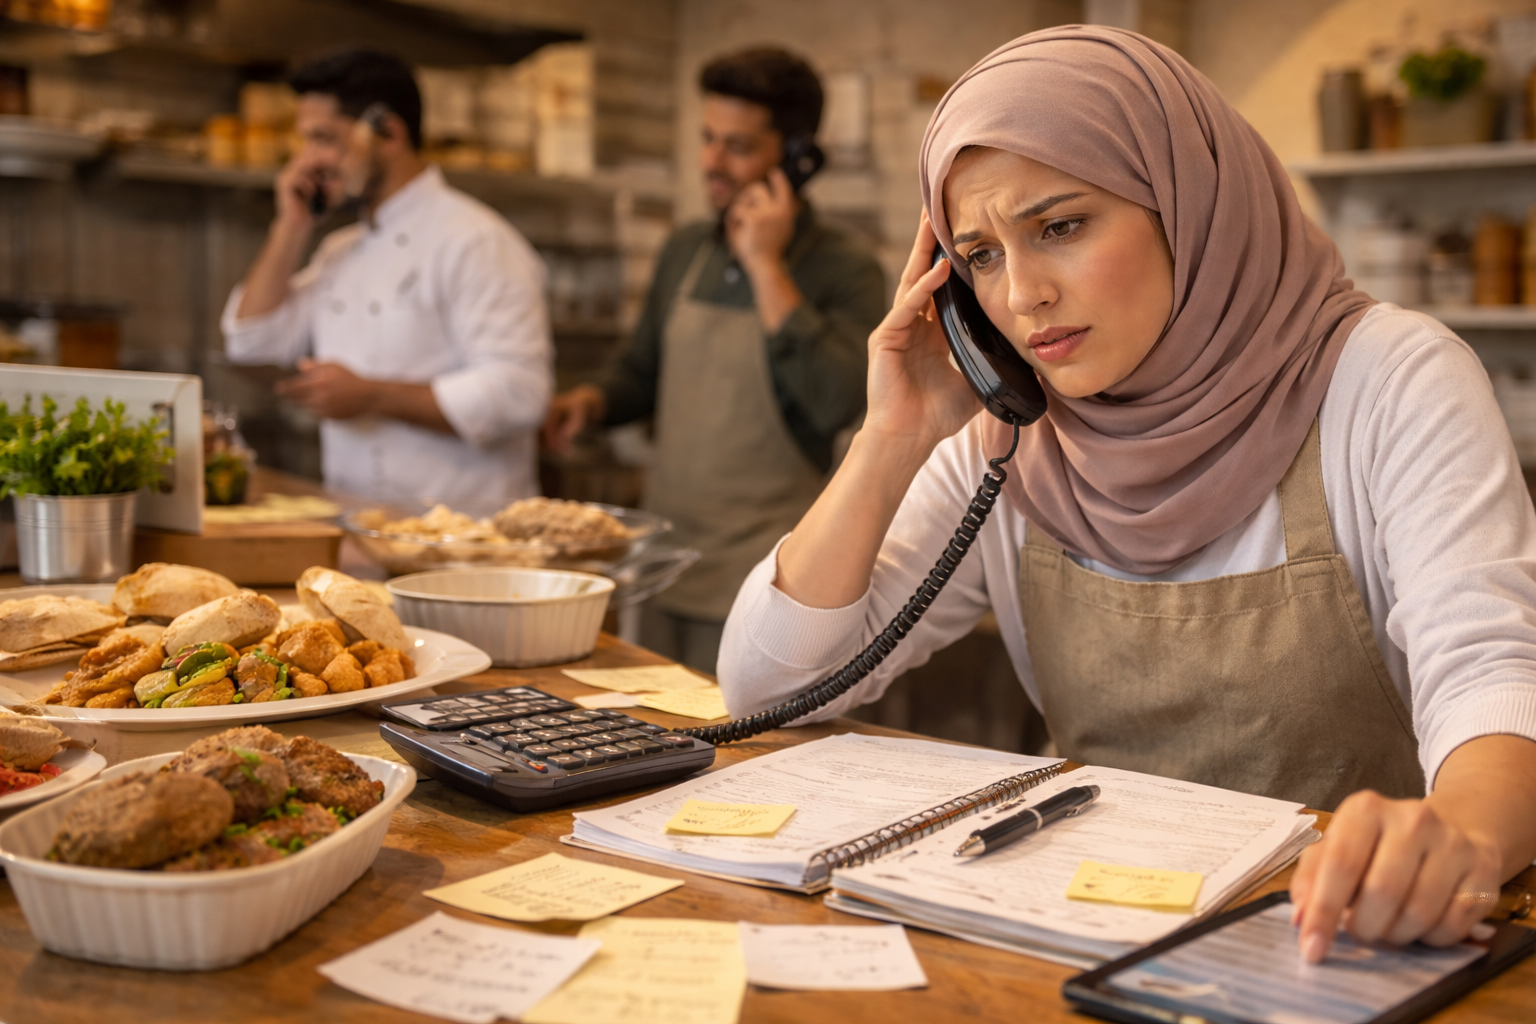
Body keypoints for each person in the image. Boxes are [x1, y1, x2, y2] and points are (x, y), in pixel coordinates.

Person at [717, 27, 1536, 962]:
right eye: (980, 255)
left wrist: (1462, 840)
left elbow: (1494, 676)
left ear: (1188, 205)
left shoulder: (1390, 378)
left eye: (1060, 227)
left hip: (1341, 945)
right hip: (1081, 939)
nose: (1021, 296)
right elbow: (767, 689)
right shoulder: (1008, 431)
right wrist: (889, 440)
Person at [542, 47, 885, 674]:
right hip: (665, 567)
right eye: (707, 139)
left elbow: (838, 401)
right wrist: (592, 400)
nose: (711, 162)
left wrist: (765, 265)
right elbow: (642, 370)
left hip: (770, 583)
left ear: (796, 157)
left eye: (737, 147)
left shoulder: (845, 267)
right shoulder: (684, 250)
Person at [223, 48, 552, 508]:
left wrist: (370, 397)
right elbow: (250, 341)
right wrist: (291, 226)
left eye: (324, 139)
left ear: (389, 133)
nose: (307, 161)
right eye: (306, 142)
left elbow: (519, 394)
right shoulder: (340, 250)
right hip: (358, 528)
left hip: (466, 539)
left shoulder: (477, 241)